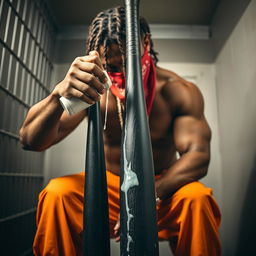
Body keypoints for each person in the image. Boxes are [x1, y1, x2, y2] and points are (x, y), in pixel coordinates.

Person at [19, 6, 221, 256]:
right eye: (112, 68)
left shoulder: (176, 90)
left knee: (198, 200)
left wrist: (146, 196)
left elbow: (198, 155)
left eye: (126, 64)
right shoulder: (95, 89)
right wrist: (58, 93)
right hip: (109, 188)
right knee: (57, 194)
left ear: (145, 42)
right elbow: (30, 140)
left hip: (160, 189)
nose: (120, 75)